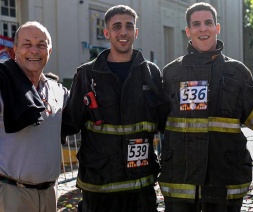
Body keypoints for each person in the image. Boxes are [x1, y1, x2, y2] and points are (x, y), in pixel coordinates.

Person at [158, 2, 253, 212]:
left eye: (208, 22)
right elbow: (157, 121)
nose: (203, 28)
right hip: (180, 185)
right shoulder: (172, 73)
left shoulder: (237, 73)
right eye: (196, 24)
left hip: (224, 184)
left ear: (217, 28)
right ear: (188, 31)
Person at [61, 5, 162, 212]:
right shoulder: (87, 75)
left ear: (136, 32)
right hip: (99, 187)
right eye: (116, 26)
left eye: (128, 26)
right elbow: (68, 123)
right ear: (106, 33)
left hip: (140, 185)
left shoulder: (150, 73)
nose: (123, 32)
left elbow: (164, 120)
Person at [0, 21, 69, 212]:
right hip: (12, 195)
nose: (34, 51)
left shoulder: (58, 91)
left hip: (49, 195)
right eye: (27, 44)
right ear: (15, 49)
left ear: (50, 50)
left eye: (41, 45)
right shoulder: (3, 86)